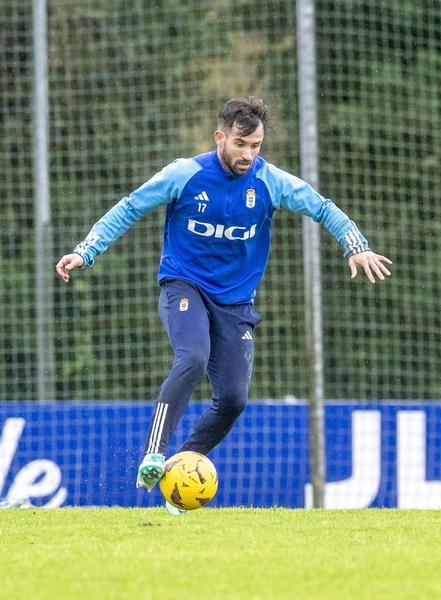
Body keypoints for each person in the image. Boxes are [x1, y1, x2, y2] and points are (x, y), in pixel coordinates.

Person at [56, 98, 392, 506]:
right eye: (240, 144)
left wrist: (355, 245)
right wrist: (86, 250)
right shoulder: (185, 174)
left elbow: (322, 208)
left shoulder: (270, 182)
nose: (248, 154)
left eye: (256, 145)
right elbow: (128, 209)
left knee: (233, 399)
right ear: (220, 137)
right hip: (185, 286)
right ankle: (154, 453)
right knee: (192, 358)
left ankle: (180, 470)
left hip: (235, 304)